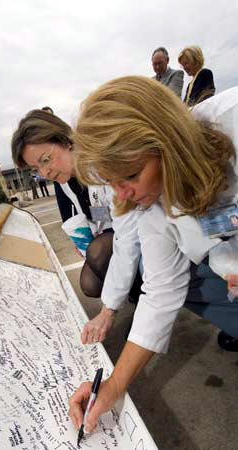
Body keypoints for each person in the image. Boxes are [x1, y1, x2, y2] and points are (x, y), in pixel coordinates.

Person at [68, 76, 238, 434]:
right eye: (112, 182)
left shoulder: (233, 120)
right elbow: (161, 290)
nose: (124, 195)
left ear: (168, 141)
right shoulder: (149, 202)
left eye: (130, 174)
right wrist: (113, 386)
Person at [11, 109, 143, 344]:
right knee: (89, 284)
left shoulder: (103, 164)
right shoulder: (65, 182)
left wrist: (107, 312)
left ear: (66, 141)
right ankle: (135, 291)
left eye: (45, 160)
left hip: (142, 234)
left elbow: (128, 235)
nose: (45, 172)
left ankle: (145, 305)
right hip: (114, 233)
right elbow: (87, 219)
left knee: (100, 252)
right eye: (36, 169)